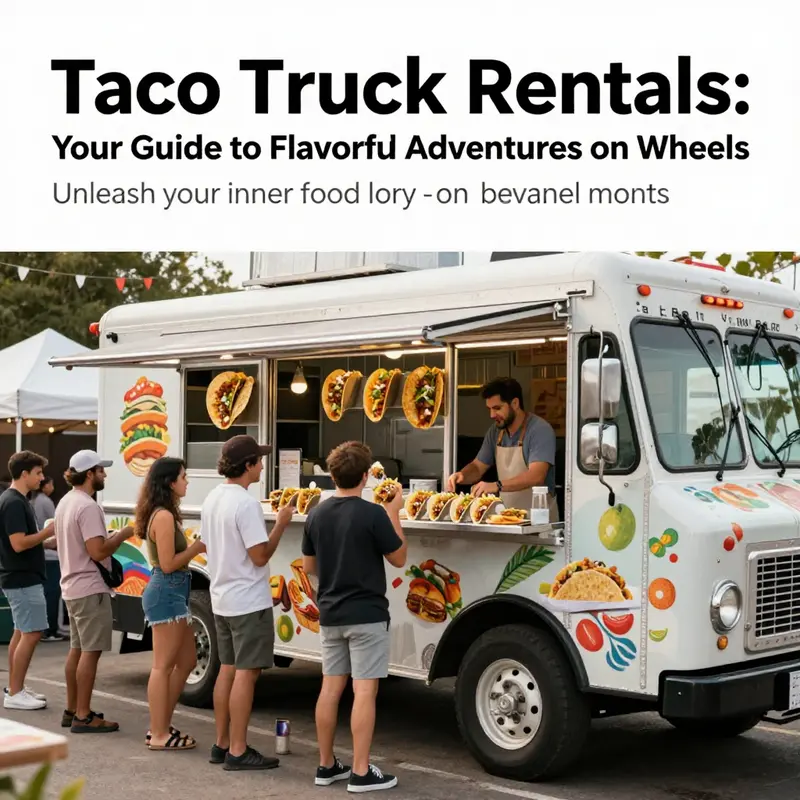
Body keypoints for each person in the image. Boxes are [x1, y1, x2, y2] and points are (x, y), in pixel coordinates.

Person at [302, 441, 407, 792]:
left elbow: (309, 566)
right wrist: (394, 510)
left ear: (331, 476)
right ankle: (361, 771)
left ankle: (326, 764)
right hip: (367, 613)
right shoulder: (372, 514)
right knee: (364, 691)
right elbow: (398, 558)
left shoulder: (316, 513)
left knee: (330, 688)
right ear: (366, 477)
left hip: (330, 612)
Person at [201, 435, 294, 771]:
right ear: (248, 465)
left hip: (221, 597)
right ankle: (239, 750)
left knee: (227, 670)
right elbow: (260, 556)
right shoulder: (246, 504)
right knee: (246, 673)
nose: (263, 465)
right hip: (248, 601)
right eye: (259, 460)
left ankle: (222, 743)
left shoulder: (212, 498)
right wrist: (280, 524)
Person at [55, 450, 135, 733]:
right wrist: (123, 535)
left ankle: (72, 708)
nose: (104, 474)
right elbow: (97, 550)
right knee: (91, 652)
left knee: (76, 650)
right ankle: (84, 715)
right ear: (89, 474)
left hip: (71, 586)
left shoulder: (65, 502)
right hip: (90, 588)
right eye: (101, 470)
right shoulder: (88, 506)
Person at [136, 457, 206, 751]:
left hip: (174, 592)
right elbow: (167, 564)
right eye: (183, 476)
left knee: (188, 661)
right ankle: (159, 732)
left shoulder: (163, 513)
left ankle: (162, 723)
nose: (187, 481)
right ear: (169, 482)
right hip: (167, 590)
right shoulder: (163, 516)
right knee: (162, 666)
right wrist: (196, 548)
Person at [447, 377, 558, 521]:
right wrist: (462, 475)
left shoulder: (539, 430)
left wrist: (496, 485)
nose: (492, 415)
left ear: (515, 403)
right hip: (508, 519)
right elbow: (478, 466)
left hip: (539, 521)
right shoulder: (495, 432)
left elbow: (536, 475)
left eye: (497, 408)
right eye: (489, 409)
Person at [0, 451, 55, 710]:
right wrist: (47, 532)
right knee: (31, 632)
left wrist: (46, 539)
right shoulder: (13, 502)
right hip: (21, 577)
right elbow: (18, 543)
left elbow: (23, 542)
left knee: (21, 632)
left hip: (19, 576)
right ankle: (16, 692)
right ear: (24, 474)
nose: (41, 478)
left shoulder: (16, 500)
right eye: (38, 473)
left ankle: (15, 687)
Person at [31, 476, 64, 642]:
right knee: (52, 593)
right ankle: (50, 630)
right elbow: (57, 524)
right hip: (51, 554)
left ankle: (47, 628)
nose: (52, 486)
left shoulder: (34, 501)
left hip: (42, 553)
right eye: (51, 483)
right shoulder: (46, 502)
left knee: (46, 593)